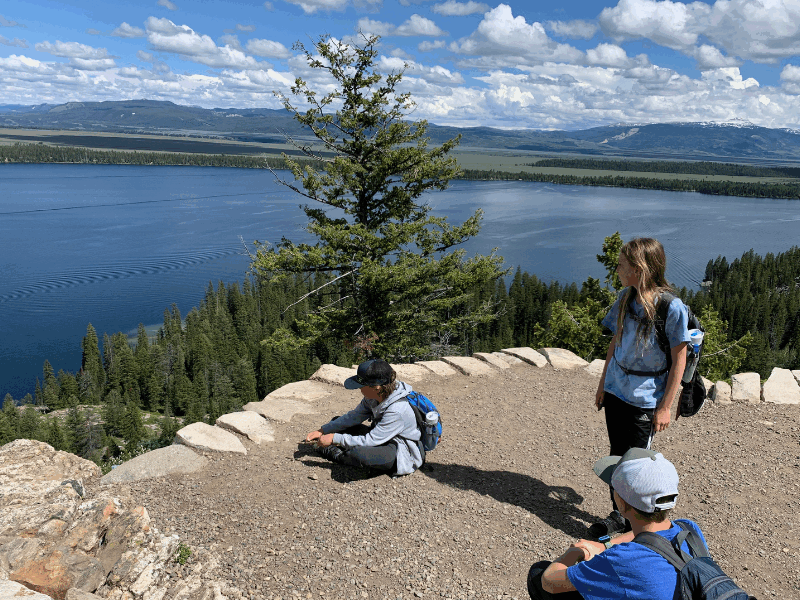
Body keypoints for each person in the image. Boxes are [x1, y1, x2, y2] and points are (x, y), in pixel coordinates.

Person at [589, 237, 690, 538]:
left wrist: (665, 407)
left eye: (622, 265)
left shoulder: (671, 308)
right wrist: (602, 384)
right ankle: (619, 517)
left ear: (640, 269)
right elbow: (615, 342)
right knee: (617, 456)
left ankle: (634, 523)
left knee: (634, 462)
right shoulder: (625, 298)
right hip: (617, 390)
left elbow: (679, 359)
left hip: (645, 398)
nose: (617, 269)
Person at [527, 448, 709, 600]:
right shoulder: (689, 528)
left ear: (622, 504)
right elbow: (650, 537)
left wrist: (573, 552)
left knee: (538, 573)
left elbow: (549, 581)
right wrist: (603, 545)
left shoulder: (621, 560)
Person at [304, 359, 424, 476]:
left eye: (362, 386)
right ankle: (340, 448)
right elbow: (354, 416)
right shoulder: (374, 396)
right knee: (336, 422)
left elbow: (371, 440)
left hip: (400, 448)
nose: (359, 389)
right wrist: (323, 430)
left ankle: (339, 455)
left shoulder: (397, 410)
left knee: (359, 454)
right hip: (381, 435)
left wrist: (335, 439)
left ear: (377, 387)